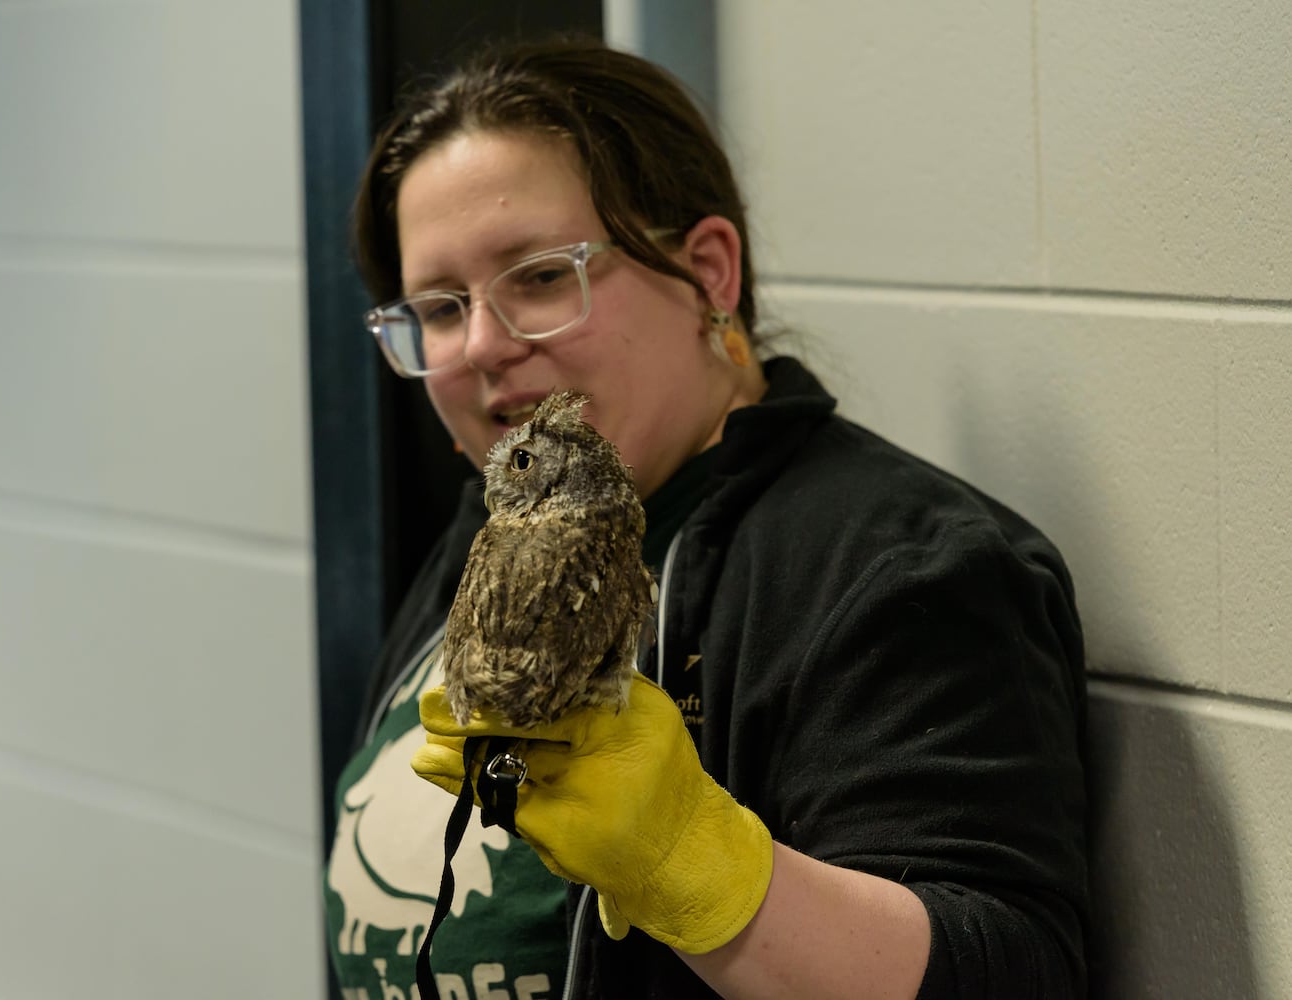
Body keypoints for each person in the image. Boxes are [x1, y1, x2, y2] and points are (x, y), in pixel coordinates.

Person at [323, 37, 1088, 1000]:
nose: (480, 345)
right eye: (437, 307)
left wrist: (699, 867)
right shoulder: (500, 527)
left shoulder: (900, 567)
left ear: (710, 272)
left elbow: (1011, 972)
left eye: (543, 276)